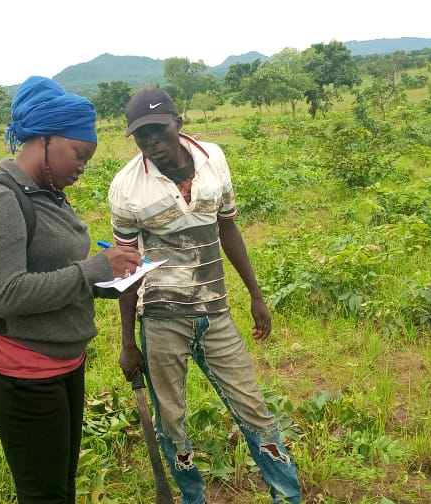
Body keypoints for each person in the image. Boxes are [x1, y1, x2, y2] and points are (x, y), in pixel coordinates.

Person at [108, 88, 301, 504]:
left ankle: (288, 496)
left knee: (255, 410)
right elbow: (127, 268)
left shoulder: (213, 160)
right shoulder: (127, 187)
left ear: (178, 122)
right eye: (141, 135)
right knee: (171, 422)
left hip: (216, 313)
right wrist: (127, 342)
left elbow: (227, 228)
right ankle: (193, 498)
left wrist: (255, 294)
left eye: (158, 130)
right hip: (160, 318)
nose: (150, 142)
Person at [0, 75, 142, 503]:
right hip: (21, 370)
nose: (82, 167)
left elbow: (57, 273)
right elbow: (7, 294)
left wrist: (109, 281)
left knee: (61, 481)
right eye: (79, 154)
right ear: (45, 139)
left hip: (63, 361)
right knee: (44, 492)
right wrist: (93, 268)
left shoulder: (48, 194)